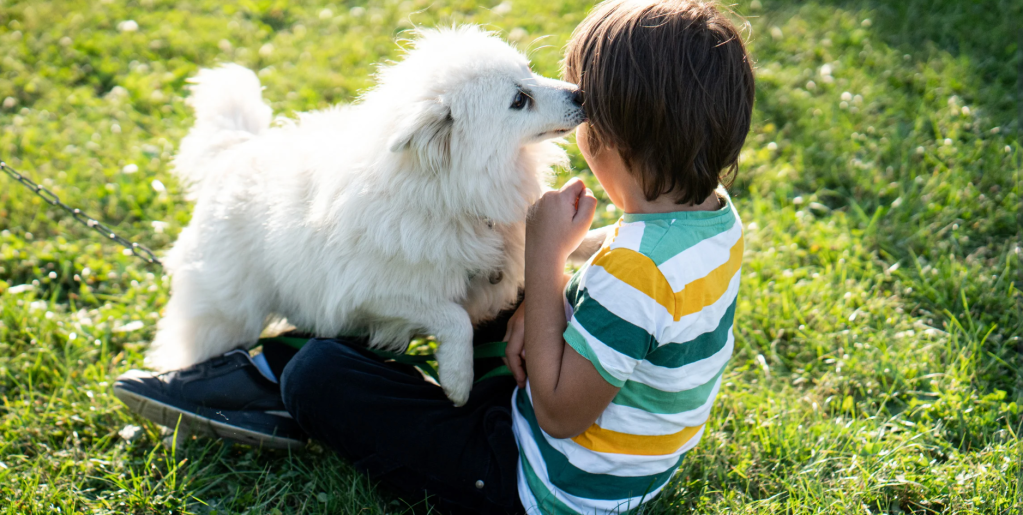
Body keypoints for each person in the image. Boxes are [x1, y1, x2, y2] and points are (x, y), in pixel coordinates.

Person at [114, 0, 755, 512]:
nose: (565, 100)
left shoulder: (635, 274)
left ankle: (272, 382)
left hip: (537, 482)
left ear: (616, 140)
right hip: (618, 458)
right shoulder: (711, 223)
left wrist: (543, 268)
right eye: (523, 94)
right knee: (480, 300)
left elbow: (561, 414)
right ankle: (250, 372)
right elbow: (628, 294)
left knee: (319, 375)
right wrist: (536, 291)